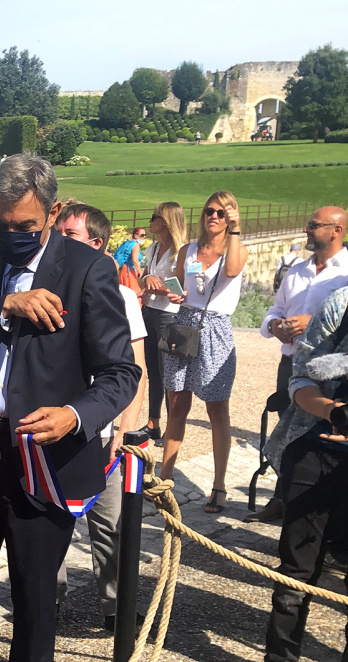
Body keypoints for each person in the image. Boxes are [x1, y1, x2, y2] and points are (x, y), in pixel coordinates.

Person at [0, 154, 140, 662]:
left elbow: (120, 374)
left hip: (46, 458)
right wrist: (1, 306)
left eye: (25, 225)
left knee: (35, 596)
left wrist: (76, 415)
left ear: (53, 210)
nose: (11, 234)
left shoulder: (89, 269)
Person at [55, 203, 148, 632]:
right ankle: (46, 599)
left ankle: (116, 606)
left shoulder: (123, 295)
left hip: (104, 427)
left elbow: (135, 368)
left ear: (96, 244)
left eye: (69, 234)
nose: (59, 240)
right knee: (50, 520)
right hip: (55, 424)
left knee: (110, 523)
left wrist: (125, 427)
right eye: (58, 231)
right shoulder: (45, 285)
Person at [261, 286, 348, 662]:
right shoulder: (341, 304)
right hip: (318, 449)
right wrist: (335, 411)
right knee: (294, 575)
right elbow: (300, 379)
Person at [251, 207, 348, 524]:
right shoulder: (295, 271)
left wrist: (314, 322)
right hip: (291, 364)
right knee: (289, 434)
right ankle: (283, 499)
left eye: (313, 225)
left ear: (336, 230)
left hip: (331, 371)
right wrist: (274, 326)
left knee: (330, 431)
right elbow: (273, 310)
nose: (306, 230)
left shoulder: (345, 273)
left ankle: (322, 511)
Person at [159, 191, 249, 514]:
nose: (214, 216)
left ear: (232, 218)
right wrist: (171, 292)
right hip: (184, 324)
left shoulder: (235, 251)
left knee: (217, 409)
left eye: (222, 213)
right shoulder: (188, 250)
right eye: (210, 211)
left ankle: (219, 485)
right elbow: (182, 290)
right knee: (177, 403)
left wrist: (235, 232)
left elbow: (230, 272)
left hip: (215, 330)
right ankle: (165, 476)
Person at [138, 203, 188, 444]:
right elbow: (143, 277)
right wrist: (147, 277)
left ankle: (173, 426)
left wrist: (161, 288)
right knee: (153, 371)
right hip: (150, 312)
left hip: (171, 315)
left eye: (154, 217)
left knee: (171, 374)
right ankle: (153, 422)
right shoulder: (153, 248)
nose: (150, 222)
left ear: (166, 221)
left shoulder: (183, 252)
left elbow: (189, 287)